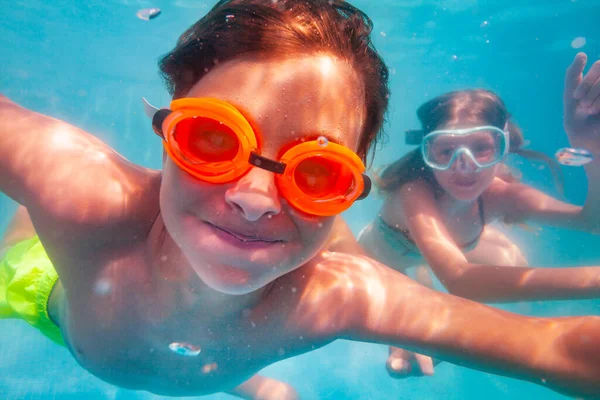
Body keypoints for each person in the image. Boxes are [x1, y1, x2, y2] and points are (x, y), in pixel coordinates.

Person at [0, 0, 599, 398]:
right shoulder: (80, 192)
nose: (256, 197)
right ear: (167, 132)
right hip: (40, 287)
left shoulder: (339, 297)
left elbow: (554, 347)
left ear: (350, 185)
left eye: (316, 173)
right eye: (213, 141)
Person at [358, 53, 600, 378]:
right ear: (427, 154)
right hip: (385, 260)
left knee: (513, 262)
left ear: (504, 146)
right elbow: (460, 279)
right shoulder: (414, 192)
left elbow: (591, 222)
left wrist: (591, 149)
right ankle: (423, 297)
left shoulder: (501, 196)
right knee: (381, 315)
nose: (464, 166)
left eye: (481, 148)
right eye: (446, 151)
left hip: (446, 255)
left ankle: (429, 302)